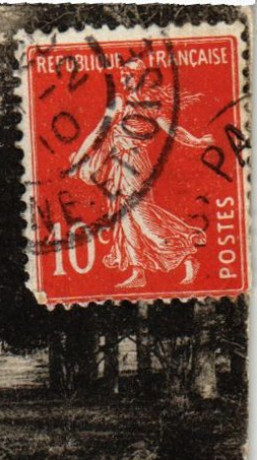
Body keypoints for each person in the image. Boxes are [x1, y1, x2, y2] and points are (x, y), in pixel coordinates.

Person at [68, 56, 215, 288]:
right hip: (117, 164)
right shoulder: (118, 103)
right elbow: (99, 131)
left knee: (144, 219)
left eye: (130, 76)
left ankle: (187, 254)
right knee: (125, 220)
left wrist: (196, 141)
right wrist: (80, 158)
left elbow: (174, 130)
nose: (124, 80)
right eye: (123, 76)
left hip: (136, 164)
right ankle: (138, 272)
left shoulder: (151, 106)